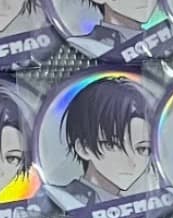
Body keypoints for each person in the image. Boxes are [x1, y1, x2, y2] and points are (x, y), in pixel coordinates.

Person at [54, 77, 154, 209]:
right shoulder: (63, 201)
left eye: (142, 149)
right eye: (114, 146)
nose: (131, 162)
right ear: (84, 148)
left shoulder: (135, 205)